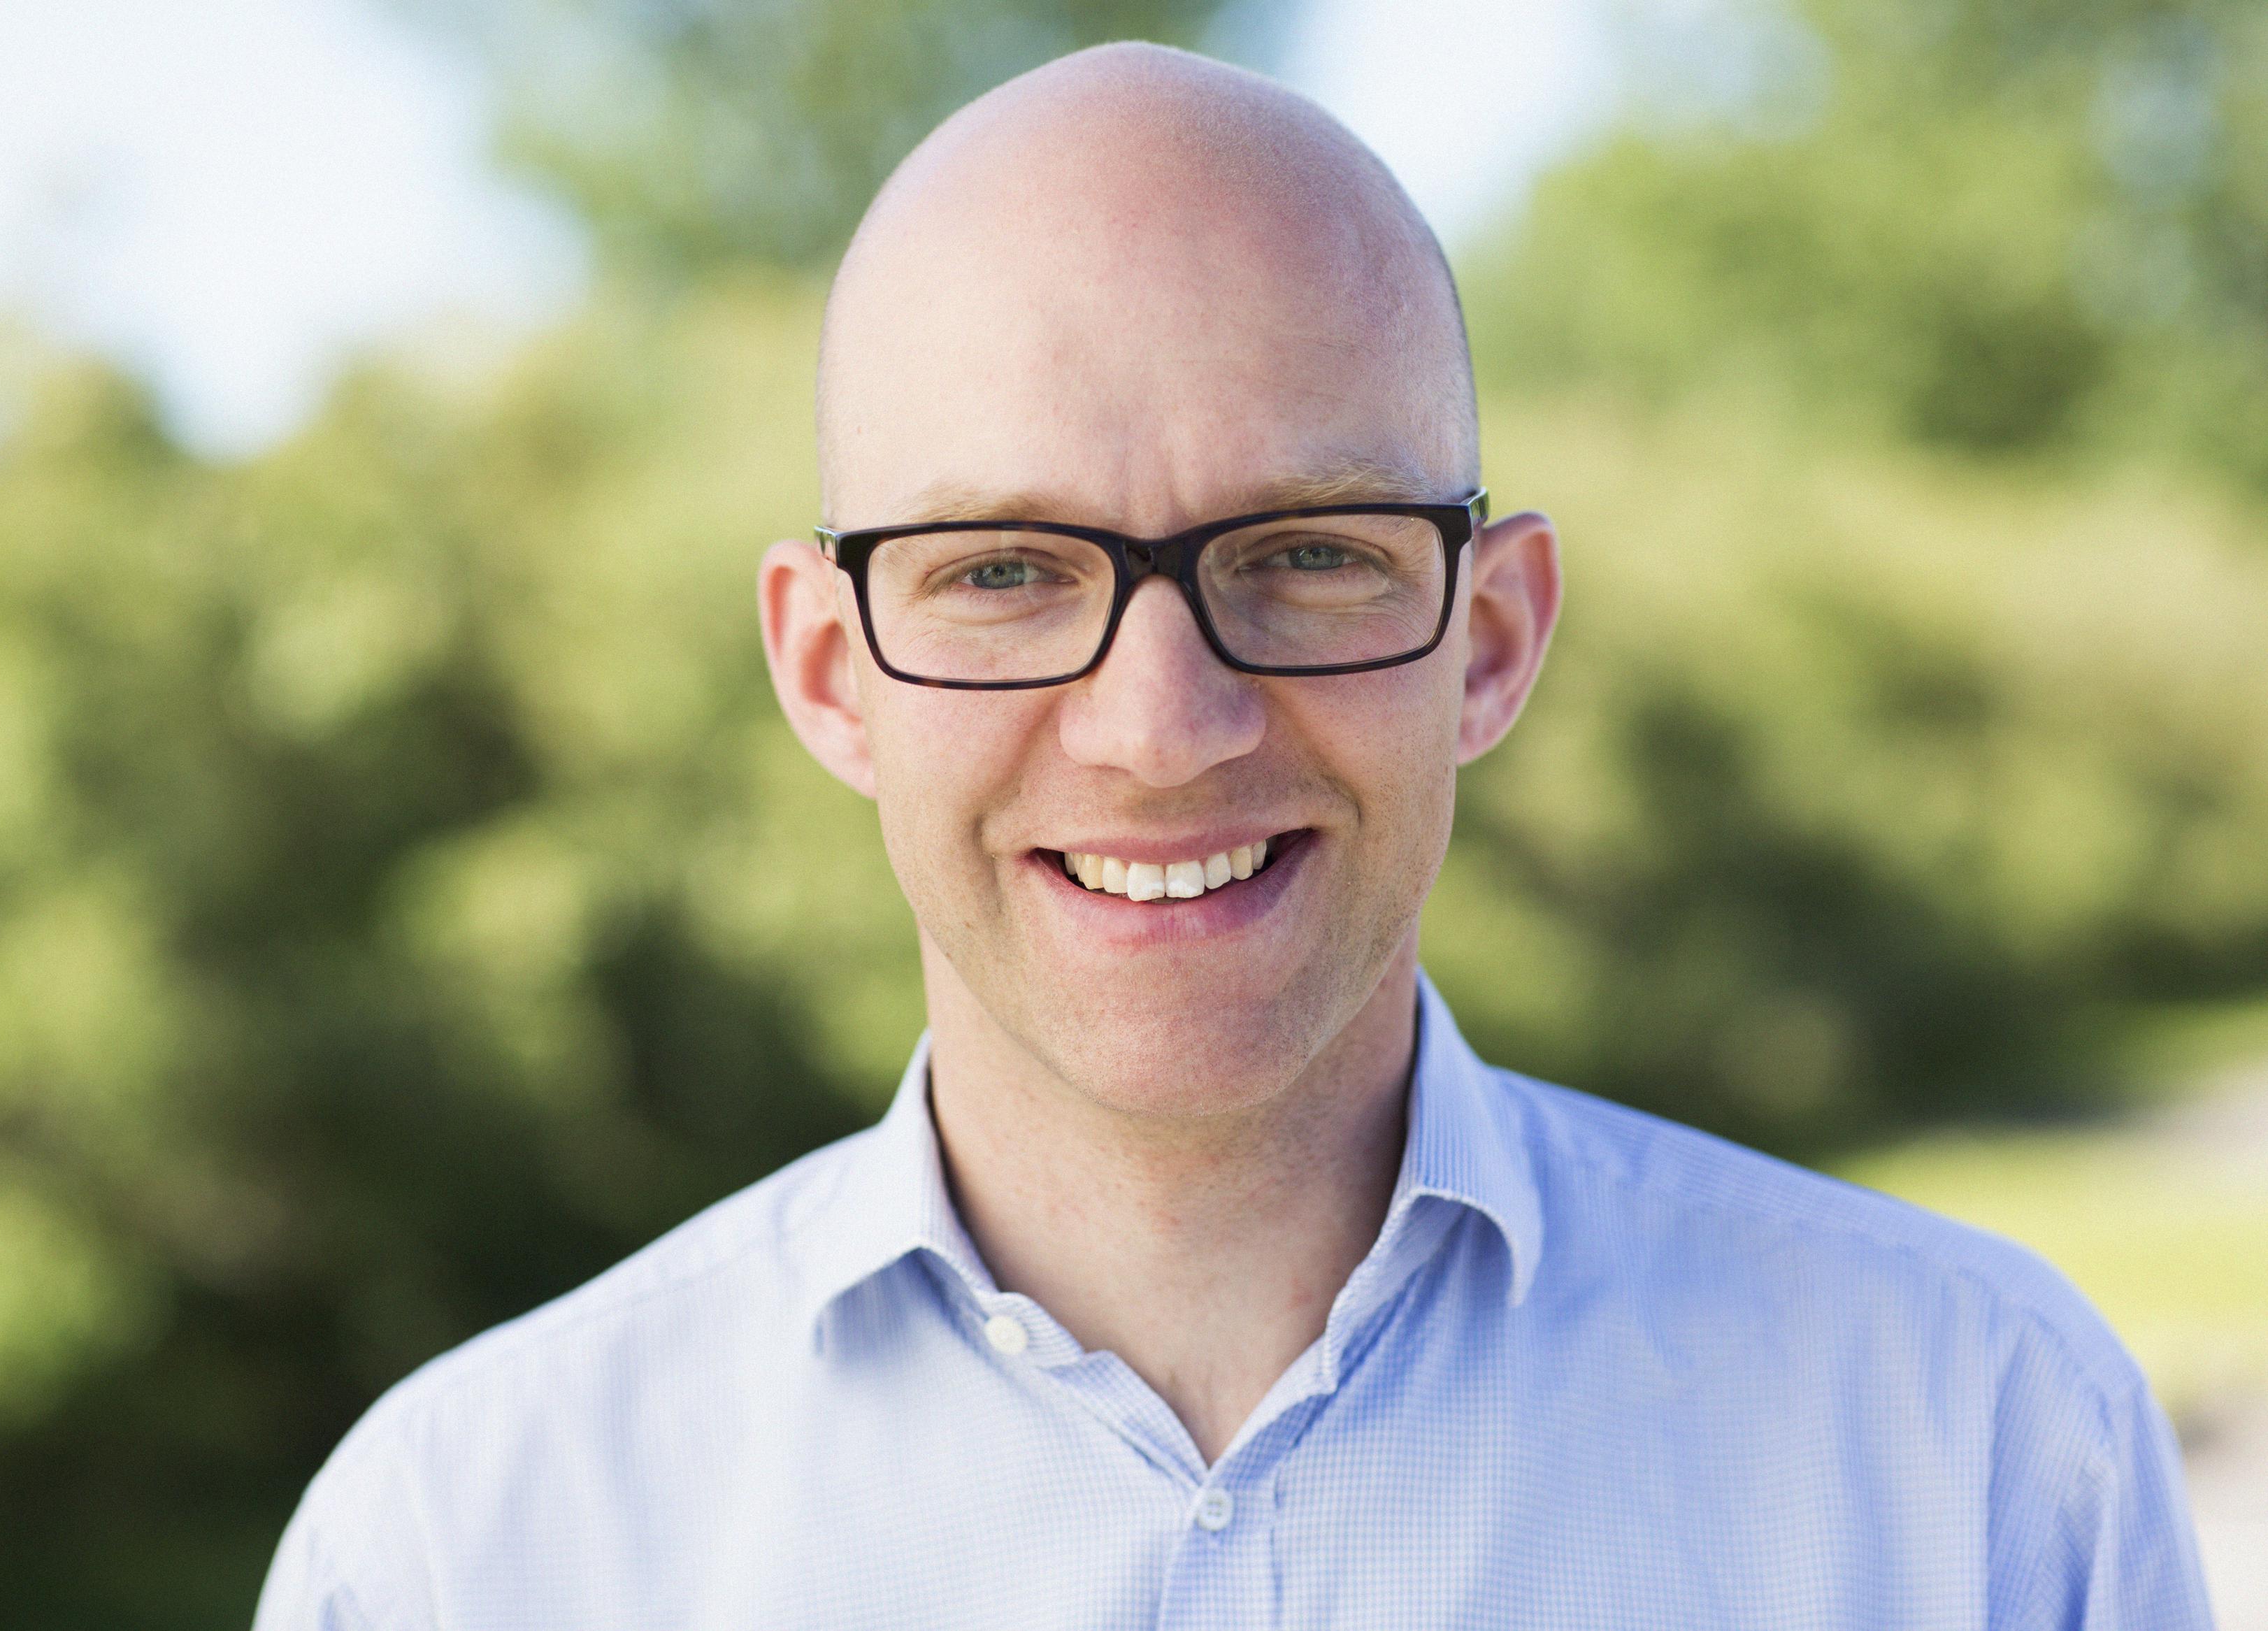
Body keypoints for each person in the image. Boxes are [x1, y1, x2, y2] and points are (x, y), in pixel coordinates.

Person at [256, 42, 2214, 1630]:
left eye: (1306, 555)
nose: (1160, 728)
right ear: (832, 672)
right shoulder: (459, 1554)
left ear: (1490, 640)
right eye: (1003, 570)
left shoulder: (1978, 1453)